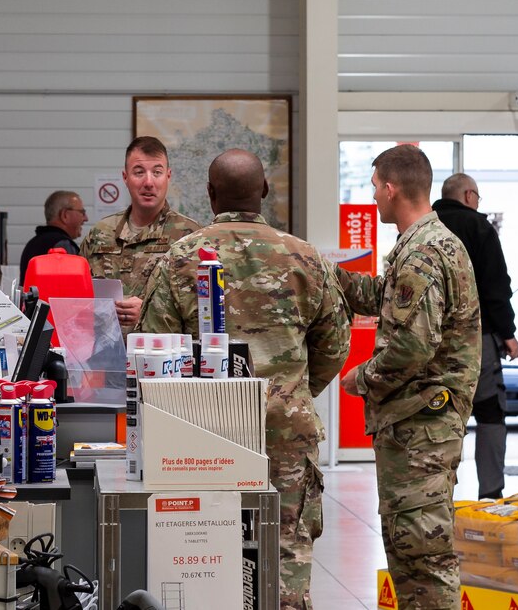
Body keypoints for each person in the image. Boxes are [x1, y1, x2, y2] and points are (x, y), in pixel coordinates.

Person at [137, 149, 350, 610]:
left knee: (204, 550)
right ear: (265, 192)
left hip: (205, 433)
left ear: (210, 195)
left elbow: (155, 350)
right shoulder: (306, 257)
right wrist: (291, 392)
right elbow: (335, 345)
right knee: (288, 549)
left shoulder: (182, 258)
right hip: (287, 431)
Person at [337, 145, 480, 609]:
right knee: (410, 547)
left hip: (422, 426)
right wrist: (326, 273)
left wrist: (364, 378)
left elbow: (414, 346)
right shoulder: (425, 244)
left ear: (392, 188)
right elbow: (384, 297)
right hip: (419, 423)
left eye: (375, 186)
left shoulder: (421, 252)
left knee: (422, 555)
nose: (373, 195)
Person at [432, 173, 518, 500]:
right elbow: (496, 286)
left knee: (440, 415)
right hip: (475, 340)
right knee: (490, 411)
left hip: (429, 342)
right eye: (478, 197)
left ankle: (438, 495)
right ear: (469, 195)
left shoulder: (425, 226)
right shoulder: (480, 228)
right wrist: (508, 333)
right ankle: (491, 495)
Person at [80, 136, 200, 332]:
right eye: (138, 172)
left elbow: (201, 314)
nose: (148, 182)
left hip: (162, 358)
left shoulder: (189, 237)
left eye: (157, 172)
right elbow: (78, 300)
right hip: (103, 358)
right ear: (125, 178)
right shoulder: (100, 234)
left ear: (168, 177)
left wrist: (147, 313)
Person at [19, 190, 87, 284]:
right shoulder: (63, 245)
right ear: (65, 215)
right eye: (82, 212)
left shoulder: (32, 244)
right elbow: (72, 287)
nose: (86, 218)